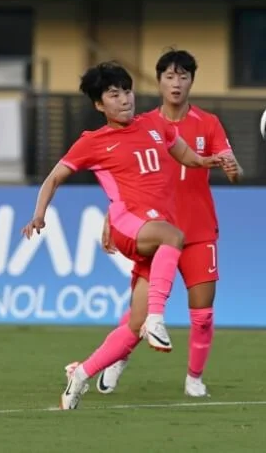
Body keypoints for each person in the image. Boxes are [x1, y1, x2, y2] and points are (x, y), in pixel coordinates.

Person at [19, 61, 222, 410]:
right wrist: (39, 213)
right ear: (100, 105)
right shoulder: (93, 142)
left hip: (154, 230)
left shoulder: (155, 123)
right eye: (114, 95)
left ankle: (81, 375)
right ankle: (157, 319)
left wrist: (207, 162)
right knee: (174, 237)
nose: (124, 99)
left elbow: (183, 153)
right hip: (130, 225)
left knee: (132, 326)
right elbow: (53, 178)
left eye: (127, 91)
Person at [95, 50, 242, 398]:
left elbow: (230, 168)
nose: (176, 84)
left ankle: (194, 379)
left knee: (203, 313)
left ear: (192, 81)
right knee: (139, 312)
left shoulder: (209, 124)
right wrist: (110, 217)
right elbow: (123, 178)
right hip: (155, 230)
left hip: (199, 229)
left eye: (183, 76)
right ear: (159, 81)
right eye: (169, 77)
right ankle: (116, 362)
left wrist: (233, 169)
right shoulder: (140, 124)